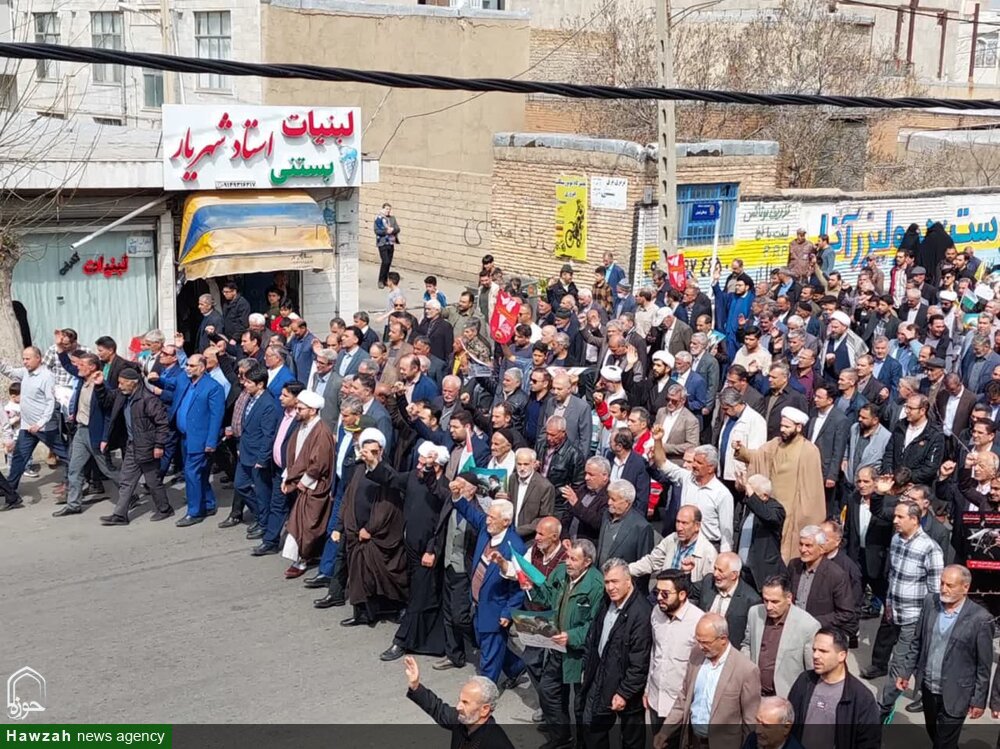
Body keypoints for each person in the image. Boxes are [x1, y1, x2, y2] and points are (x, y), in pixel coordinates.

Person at [365, 441, 452, 661]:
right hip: (411, 547)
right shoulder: (414, 477)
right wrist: (374, 463)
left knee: (420, 596)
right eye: (419, 463)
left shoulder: (444, 488)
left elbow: (441, 524)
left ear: (436, 467)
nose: (418, 467)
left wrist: (432, 550)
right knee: (418, 593)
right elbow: (392, 478)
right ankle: (426, 640)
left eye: (424, 464)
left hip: (428, 552)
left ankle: (401, 641)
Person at [895, 565, 994, 749]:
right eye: (942, 583)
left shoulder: (981, 619)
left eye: (950, 585)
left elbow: (984, 666)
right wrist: (905, 672)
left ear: (965, 587)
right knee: (934, 732)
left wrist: (978, 700)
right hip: (929, 688)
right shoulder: (930, 602)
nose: (943, 589)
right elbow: (917, 641)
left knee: (943, 743)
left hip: (957, 693)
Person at [520, 538, 605, 749]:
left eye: (574, 559)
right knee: (548, 691)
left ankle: (582, 743)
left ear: (587, 562)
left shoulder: (596, 585)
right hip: (557, 648)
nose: (568, 562)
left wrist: (572, 636)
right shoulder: (561, 573)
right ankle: (561, 735)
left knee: (580, 704)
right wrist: (531, 588)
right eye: (568, 557)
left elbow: (595, 625)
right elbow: (547, 596)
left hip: (579, 656)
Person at [864, 500, 944, 721]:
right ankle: (925, 693)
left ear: (914, 519)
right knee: (910, 660)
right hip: (895, 613)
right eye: (895, 516)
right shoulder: (897, 540)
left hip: (914, 617)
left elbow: (935, 591)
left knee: (899, 662)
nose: (895, 521)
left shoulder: (929, 549)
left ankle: (883, 707)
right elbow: (894, 576)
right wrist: (889, 605)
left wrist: (929, 621)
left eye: (900, 517)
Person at [451, 479, 526, 685]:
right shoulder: (487, 529)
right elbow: (469, 511)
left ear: (506, 521)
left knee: (489, 649)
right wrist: (457, 495)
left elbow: (519, 586)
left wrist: (508, 613)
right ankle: (516, 667)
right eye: (489, 516)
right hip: (479, 603)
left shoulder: (515, 547)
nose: (487, 521)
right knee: (488, 642)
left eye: (493, 518)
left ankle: (486, 688)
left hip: (495, 608)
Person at [335, 428, 408, 626]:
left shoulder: (386, 473)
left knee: (384, 574)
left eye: (374, 452)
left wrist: (370, 529)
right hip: (356, 533)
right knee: (359, 574)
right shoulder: (359, 470)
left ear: (381, 451)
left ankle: (394, 609)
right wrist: (340, 525)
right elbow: (348, 497)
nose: (369, 455)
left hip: (377, 536)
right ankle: (362, 613)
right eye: (366, 451)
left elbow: (388, 508)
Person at [655, 612, 761, 749]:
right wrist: (665, 732)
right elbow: (683, 699)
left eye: (705, 642)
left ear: (723, 639)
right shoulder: (696, 655)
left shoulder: (746, 670)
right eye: (698, 640)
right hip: (693, 741)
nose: (700, 646)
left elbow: (750, 721)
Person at [734, 407, 826, 561]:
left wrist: (804, 514)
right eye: (782, 426)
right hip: (771, 506)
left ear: (798, 427)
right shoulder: (775, 444)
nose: (782, 429)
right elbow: (758, 457)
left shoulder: (809, 451)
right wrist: (741, 451)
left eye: (787, 427)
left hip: (793, 507)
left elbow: (812, 488)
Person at [580, 558, 652, 749]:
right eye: (607, 582)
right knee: (592, 728)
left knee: (631, 739)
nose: (610, 587)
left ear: (628, 581)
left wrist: (624, 693)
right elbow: (593, 637)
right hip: (601, 676)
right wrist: (586, 667)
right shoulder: (606, 602)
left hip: (627, 688)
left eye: (615, 581)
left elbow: (640, 662)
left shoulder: (641, 614)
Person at [97, 368, 173, 525]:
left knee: (152, 481)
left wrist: (159, 445)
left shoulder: (148, 400)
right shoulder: (124, 396)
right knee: (126, 480)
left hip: (147, 446)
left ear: (133, 383)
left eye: (122, 383)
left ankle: (165, 509)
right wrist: (99, 385)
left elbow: (162, 424)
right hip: (132, 446)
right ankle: (120, 515)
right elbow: (107, 399)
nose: (119, 386)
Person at [787, 629, 881, 749]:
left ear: (842, 656)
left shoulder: (862, 698)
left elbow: (869, 742)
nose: (815, 655)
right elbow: (789, 720)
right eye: (814, 650)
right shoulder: (804, 681)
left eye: (823, 651)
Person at [54, 352, 119, 517]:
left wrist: (105, 438)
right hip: (80, 431)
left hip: (94, 433)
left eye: (82, 364)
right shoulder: (82, 380)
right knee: (74, 469)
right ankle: (73, 504)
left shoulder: (101, 387)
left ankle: (129, 493)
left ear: (92, 367)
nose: (78, 367)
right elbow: (68, 366)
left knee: (107, 470)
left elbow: (108, 416)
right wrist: (61, 350)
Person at [279, 389, 337, 577]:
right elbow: (294, 456)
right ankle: (305, 556)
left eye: (301, 409)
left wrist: (303, 483)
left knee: (306, 525)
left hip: (313, 487)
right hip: (299, 484)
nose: (297, 411)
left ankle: (302, 560)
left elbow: (319, 464)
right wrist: (287, 477)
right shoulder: (302, 427)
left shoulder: (321, 432)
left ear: (312, 410)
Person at [0, 346, 70, 501]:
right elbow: (9, 372)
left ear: (38, 358)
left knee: (66, 455)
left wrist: (41, 423)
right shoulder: (25, 373)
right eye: (23, 359)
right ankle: (9, 488)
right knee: (19, 457)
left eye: (28, 358)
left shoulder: (46, 376)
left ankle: (75, 482)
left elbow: (50, 402)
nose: (25, 362)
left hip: (45, 427)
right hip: (27, 426)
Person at [403, 656, 514, 749]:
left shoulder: (497, 743)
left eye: (465, 702)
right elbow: (438, 709)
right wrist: (415, 686)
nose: (458, 707)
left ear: (484, 709)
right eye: (460, 700)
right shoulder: (462, 720)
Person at [743, 574, 821, 698]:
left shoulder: (808, 625)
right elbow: (747, 644)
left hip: (786, 697)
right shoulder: (755, 613)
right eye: (765, 600)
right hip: (754, 693)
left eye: (775, 602)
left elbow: (811, 670)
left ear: (789, 598)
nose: (769, 607)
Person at [647, 569, 703, 733]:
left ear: (682, 595)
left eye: (665, 594)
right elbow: (654, 652)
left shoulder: (698, 621)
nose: (659, 598)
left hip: (681, 706)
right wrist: (647, 689)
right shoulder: (656, 612)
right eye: (657, 592)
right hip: (655, 699)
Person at [174, 354, 224, 526]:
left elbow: (216, 417)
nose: (188, 368)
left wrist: (211, 442)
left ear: (202, 368)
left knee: (192, 473)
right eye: (187, 365)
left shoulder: (213, 387)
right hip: (185, 437)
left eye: (192, 366)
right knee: (200, 473)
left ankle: (194, 512)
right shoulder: (188, 382)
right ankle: (208, 503)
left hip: (200, 439)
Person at [226, 366, 279, 529]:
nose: (245, 384)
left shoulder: (268, 404)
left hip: (257, 456)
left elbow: (268, 435)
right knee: (240, 485)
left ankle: (264, 524)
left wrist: (262, 459)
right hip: (245, 452)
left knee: (262, 492)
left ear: (260, 384)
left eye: (249, 382)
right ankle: (260, 514)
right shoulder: (251, 398)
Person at [787, 526, 858, 640]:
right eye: (801, 544)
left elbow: (846, 613)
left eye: (808, 545)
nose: (803, 549)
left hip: (819, 633)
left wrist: (812, 622)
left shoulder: (836, 575)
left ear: (822, 549)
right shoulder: (794, 566)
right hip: (793, 630)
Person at [629, 504, 718, 584]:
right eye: (677, 522)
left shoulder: (708, 552)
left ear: (697, 526)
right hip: (663, 590)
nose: (679, 528)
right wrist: (626, 571)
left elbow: (706, 587)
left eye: (684, 523)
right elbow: (651, 562)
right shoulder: (671, 539)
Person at [738, 474, 787, 591]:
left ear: (765, 496)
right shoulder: (747, 508)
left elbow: (767, 516)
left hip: (763, 573)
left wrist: (749, 489)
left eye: (752, 493)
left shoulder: (776, 509)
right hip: (743, 572)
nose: (748, 496)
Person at [374, 203, 400, 289]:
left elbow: (397, 229)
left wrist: (393, 230)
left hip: (391, 243)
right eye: (386, 209)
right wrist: (386, 231)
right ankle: (381, 280)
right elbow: (377, 231)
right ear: (382, 209)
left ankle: (386, 280)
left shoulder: (392, 218)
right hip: (382, 243)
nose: (388, 211)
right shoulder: (378, 218)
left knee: (389, 262)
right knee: (385, 261)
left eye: (389, 209)